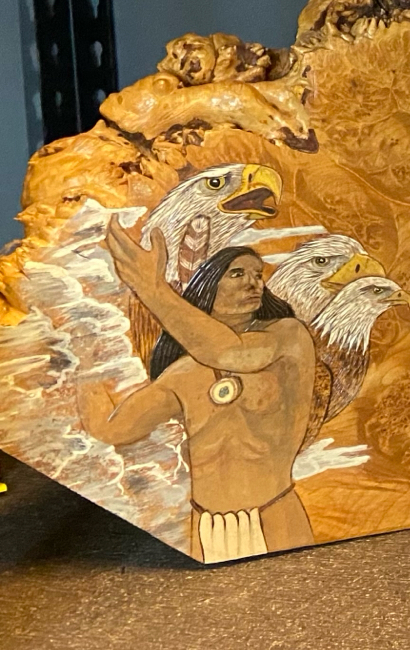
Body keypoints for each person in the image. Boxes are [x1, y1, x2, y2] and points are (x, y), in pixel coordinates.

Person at [83, 222, 318, 561]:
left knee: (293, 586)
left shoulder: (287, 338)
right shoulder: (186, 373)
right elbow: (114, 430)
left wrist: (152, 288)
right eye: (237, 274)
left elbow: (230, 352)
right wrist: (81, 366)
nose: (254, 282)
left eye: (258, 274)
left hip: (274, 513)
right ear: (208, 284)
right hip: (207, 524)